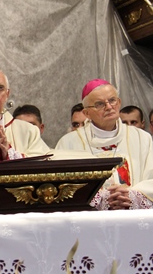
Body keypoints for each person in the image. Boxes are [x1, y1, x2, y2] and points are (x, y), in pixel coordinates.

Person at [56, 79, 153, 210]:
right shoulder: (68, 143)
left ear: (119, 102)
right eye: (100, 104)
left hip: (133, 216)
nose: (109, 107)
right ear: (86, 113)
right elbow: (63, 185)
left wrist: (132, 196)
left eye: (112, 100)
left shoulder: (142, 138)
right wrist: (101, 199)